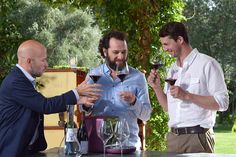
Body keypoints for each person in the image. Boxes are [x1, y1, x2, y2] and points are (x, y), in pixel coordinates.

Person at [0, 40, 101, 157]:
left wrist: (78, 100)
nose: (46, 64)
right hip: (12, 151)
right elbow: (45, 106)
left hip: (27, 151)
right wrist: (76, 92)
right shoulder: (16, 81)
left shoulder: (23, 79)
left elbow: (37, 105)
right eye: (43, 60)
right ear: (29, 61)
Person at [148, 22, 229, 153]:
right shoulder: (172, 70)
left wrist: (187, 95)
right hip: (173, 139)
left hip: (197, 138)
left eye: (166, 44)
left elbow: (223, 103)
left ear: (180, 40)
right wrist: (156, 88)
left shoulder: (207, 64)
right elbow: (167, 107)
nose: (164, 49)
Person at [81, 31, 152, 150]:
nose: (120, 57)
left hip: (128, 146)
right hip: (99, 146)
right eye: (115, 52)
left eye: (124, 52)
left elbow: (146, 115)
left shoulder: (138, 77)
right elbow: (83, 110)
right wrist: (86, 105)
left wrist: (134, 101)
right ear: (105, 51)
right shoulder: (93, 75)